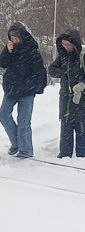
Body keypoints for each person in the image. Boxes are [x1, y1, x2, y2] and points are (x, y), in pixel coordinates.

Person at [48, 29, 85, 158]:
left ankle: (82, 155)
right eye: (64, 44)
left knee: (80, 127)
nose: (66, 47)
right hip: (65, 98)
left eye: (68, 44)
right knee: (66, 125)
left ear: (75, 44)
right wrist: (64, 72)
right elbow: (52, 70)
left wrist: (82, 85)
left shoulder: (84, 57)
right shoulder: (62, 56)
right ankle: (64, 154)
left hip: (81, 100)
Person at [0, 23, 47, 158]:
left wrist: (35, 87)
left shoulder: (32, 51)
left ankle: (25, 150)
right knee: (3, 115)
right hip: (11, 89)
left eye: (16, 37)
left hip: (26, 90)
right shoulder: (10, 49)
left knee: (24, 121)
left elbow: (39, 72)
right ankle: (16, 143)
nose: (14, 40)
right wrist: (7, 51)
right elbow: (2, 64)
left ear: (22, 36)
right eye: (12, 37)